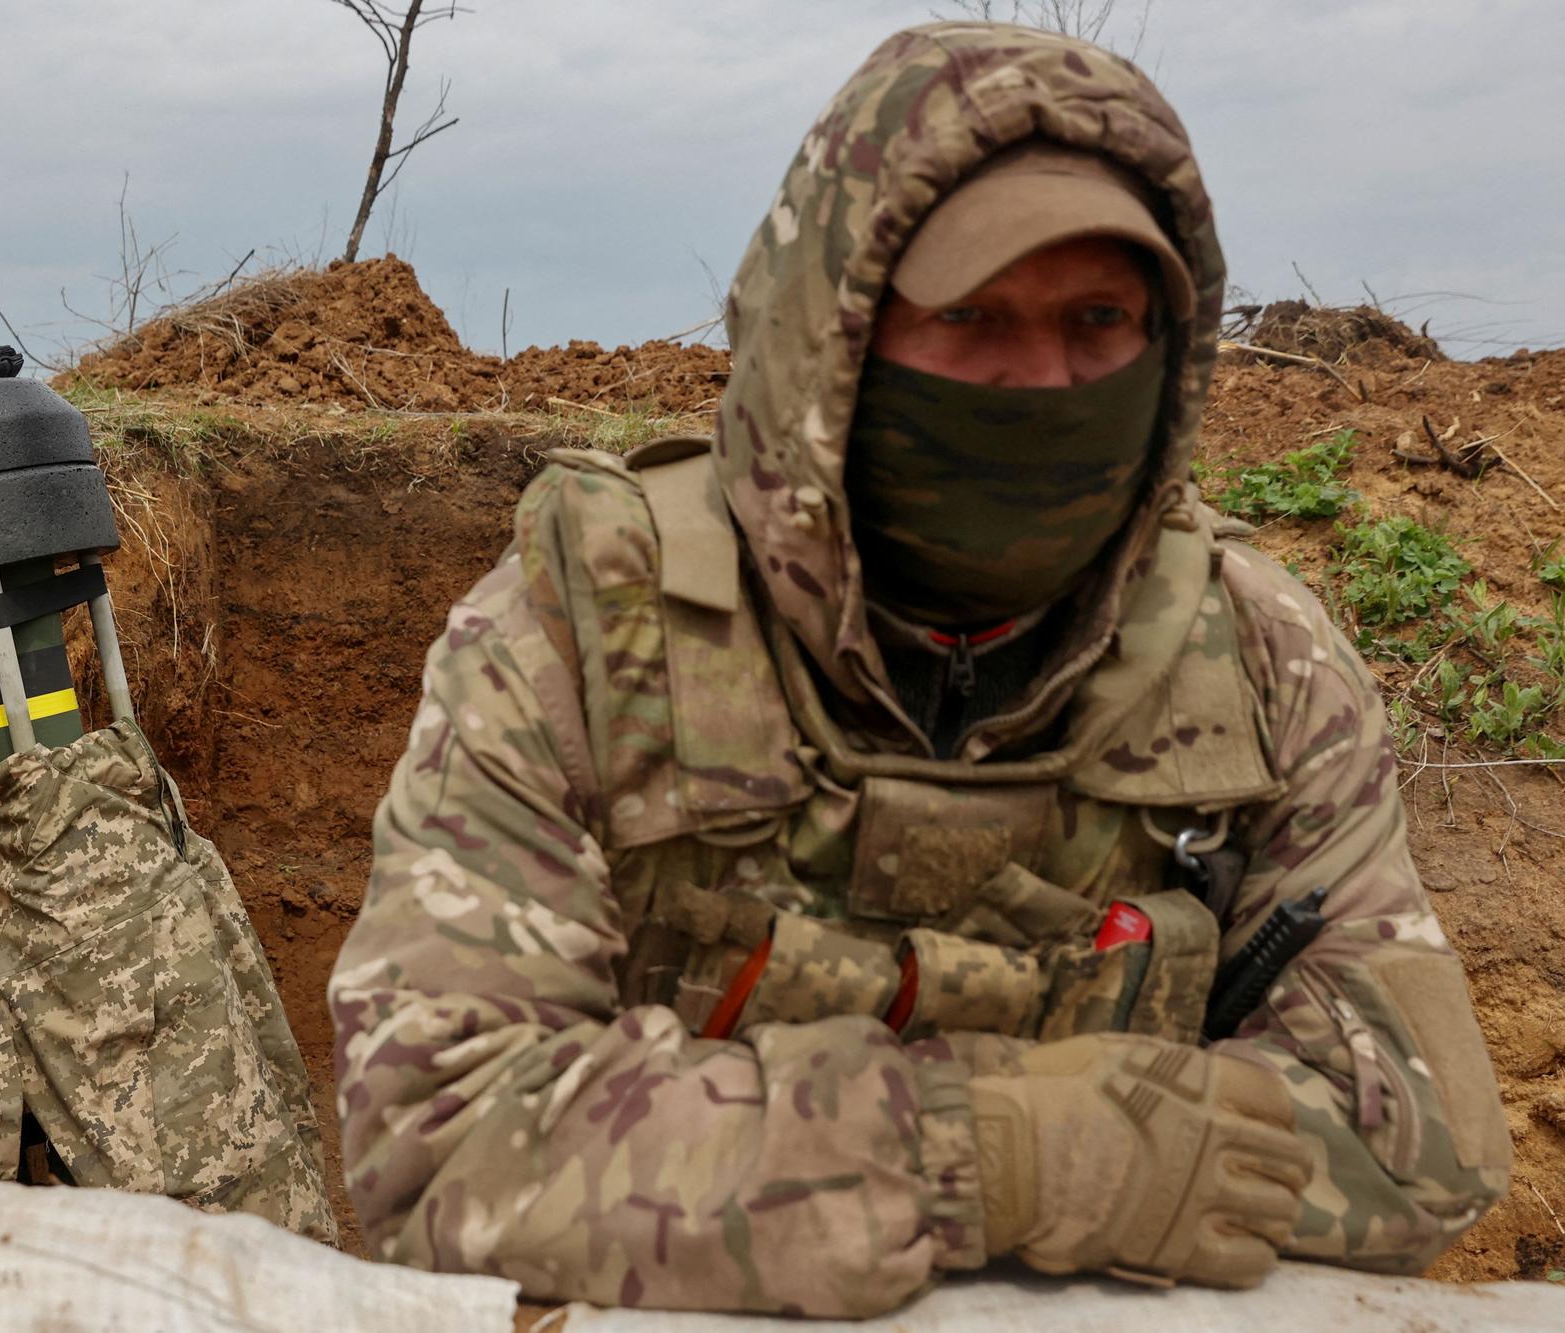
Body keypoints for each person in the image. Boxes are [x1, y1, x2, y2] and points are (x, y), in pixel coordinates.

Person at [328, 20, 1510, 1318]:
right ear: (833, 336)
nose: (1041, 378)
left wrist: (726, 1150)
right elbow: (439, 1140)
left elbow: (1420, 1141)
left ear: (1169, 351)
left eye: (1099, 320)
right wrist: (981, 1153)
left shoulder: (1260, 659)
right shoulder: (581, 636)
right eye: (971, 316)